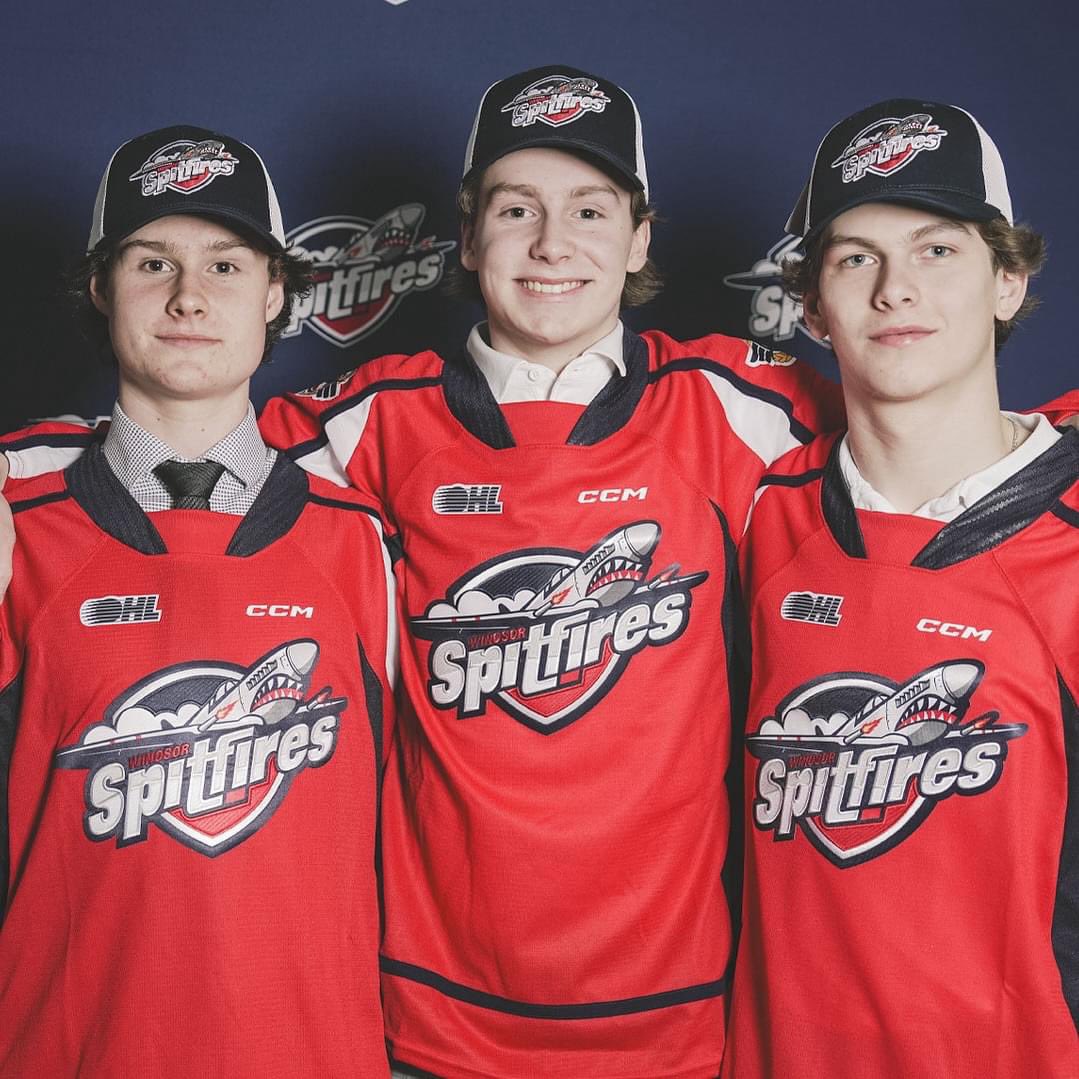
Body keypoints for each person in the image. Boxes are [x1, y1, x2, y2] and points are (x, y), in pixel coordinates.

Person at [0, 75, 1073, 1079]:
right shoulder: (366, 422)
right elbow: (185, 426)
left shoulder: (740, 411)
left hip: (682, 1014)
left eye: (591, 209)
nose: (552, 242)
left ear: (640, 235)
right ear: (464, 238)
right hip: (433, 1015)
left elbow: (939, 429)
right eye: (514, 209)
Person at [0, 126, 394, 1076]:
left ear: (274, 293)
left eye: (225, 263)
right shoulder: (20, 517)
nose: (188, 296)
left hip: (312, 1051)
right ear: (101, 288)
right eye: (152, 261)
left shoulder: (358, 533)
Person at [721, 99, 1079, 1078]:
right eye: (853, 258)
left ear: (1008, 281)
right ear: (807, 304)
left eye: (934, 251)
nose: (892, 290)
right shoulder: (754, 517)